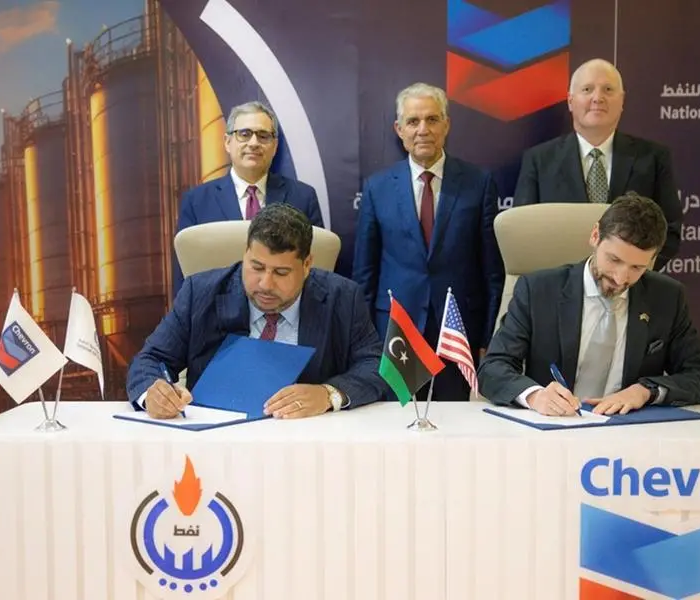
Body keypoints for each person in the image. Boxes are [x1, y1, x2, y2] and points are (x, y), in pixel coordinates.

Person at [128, 204, 386, 419]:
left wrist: (328, 394)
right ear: (245, 254)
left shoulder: (342, 298)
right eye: (257, 267)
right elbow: (150, 360)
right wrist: (154, 393)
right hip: (217, 442)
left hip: (305, 441)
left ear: (307, 264)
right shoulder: (200, 293)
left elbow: (375, 365)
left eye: (281, 272)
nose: (265, 284)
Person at [478, 193, 700, 415]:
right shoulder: (538, 291)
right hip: (556, 427)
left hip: (628, 432)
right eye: (614, 259)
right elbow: (492, 369)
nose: (621, 278)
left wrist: (646, 391)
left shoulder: (667, 297)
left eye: (637, 267)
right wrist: (535, 396)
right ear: (595, 236)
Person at [353, 82, 504, 401]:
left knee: (454, 422)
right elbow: (365, 273)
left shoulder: (478, 182)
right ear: (399, 130)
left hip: (456, 331)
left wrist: (487, 337)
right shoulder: (377, 187)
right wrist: (365, 341)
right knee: (398, 421)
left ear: (446, 125)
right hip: (396, 332)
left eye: (432, 119)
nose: (423, 130)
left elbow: (492, 271)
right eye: (413, 121)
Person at [513, 58, 682, 269]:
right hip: (559, 284)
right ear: (570, 101)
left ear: (622, 101)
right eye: (587, 89)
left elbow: (670, 230)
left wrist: (632, 271)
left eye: (608, 90)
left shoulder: (653, 158)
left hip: (630, 284)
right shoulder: (539, 161)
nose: (598, 98)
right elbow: (522, 233)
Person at [173, 101, 324, 294]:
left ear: (275, 146)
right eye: (244, 134)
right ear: (227, 142)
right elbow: (184, 277)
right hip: (217, 309)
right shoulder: (197, 201)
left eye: (263, 136)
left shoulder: (302, 197)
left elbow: (317, 271)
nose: (253, 143)